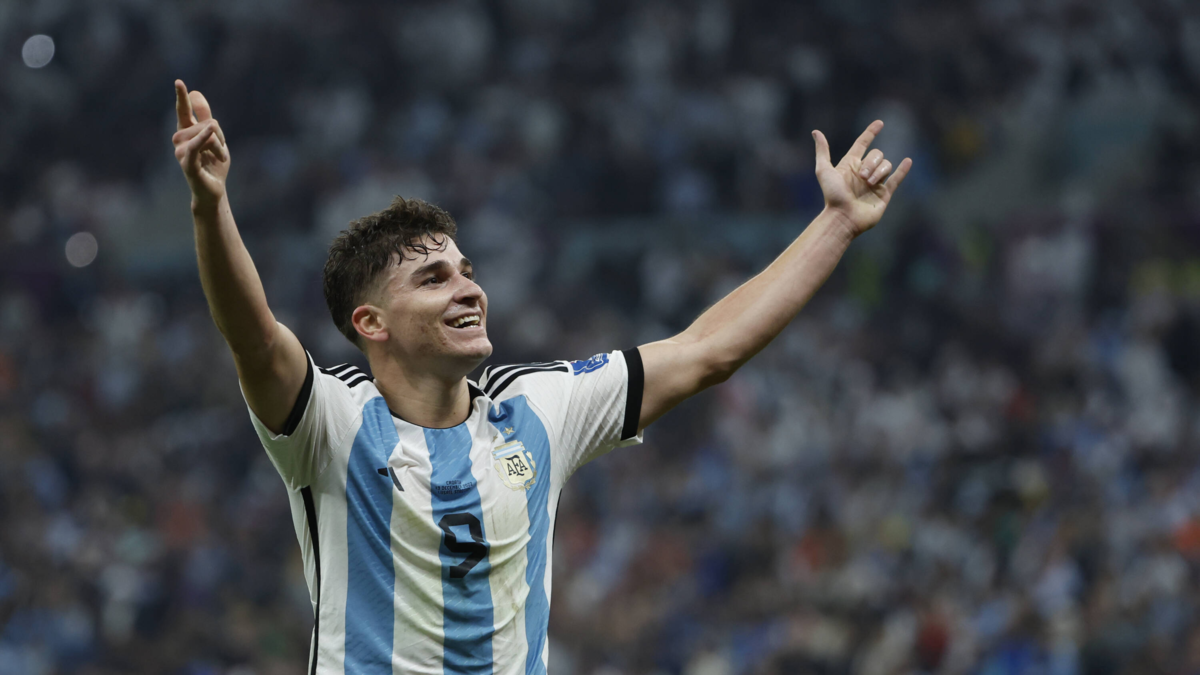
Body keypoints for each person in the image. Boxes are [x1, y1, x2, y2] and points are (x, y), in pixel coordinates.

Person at [170, 78, 911, 674]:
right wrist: (211, 205)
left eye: (467, 270)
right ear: (372, 323)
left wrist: (836, 224)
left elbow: (706, 350)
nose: (468, 289)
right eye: (433, 279)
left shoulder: (536, 407)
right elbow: (255, 339)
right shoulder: (331, 426)